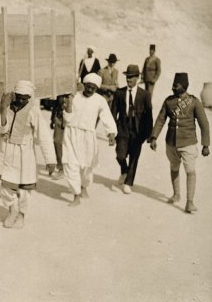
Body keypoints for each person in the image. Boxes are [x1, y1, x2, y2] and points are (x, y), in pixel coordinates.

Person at [0, 80, 56, 229]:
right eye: (19, 97)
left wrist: (50, 160)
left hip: (25, 153)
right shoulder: (8, 108)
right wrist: (3, 109)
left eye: (25, 98)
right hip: (8, 150)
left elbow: (44, 136)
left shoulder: (34, 111)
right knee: (5, 187)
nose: (21, 100)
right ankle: (12, 210)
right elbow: (1, 129)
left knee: (24, 190)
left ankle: (22, 215)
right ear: (14, 95)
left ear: (30, 97)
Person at [149, 73, 210, 213]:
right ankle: (176, 194)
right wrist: (154, 137)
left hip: (188, 143)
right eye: (173, 85)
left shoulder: (194, 102)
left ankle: (190, 202)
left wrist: (205, 144)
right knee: (174, 168)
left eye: (176, 85)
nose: (173, 87)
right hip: (171, 143)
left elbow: (204, 124)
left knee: (190, 171)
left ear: (184, 86)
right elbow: (160, 119)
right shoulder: (168, 101)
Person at [63, 73, 117, 206]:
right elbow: (67, 119)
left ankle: (84, 186)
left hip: (88, 137)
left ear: (97, 88)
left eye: (93, 88)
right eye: (88, 86)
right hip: (71, 134)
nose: (90, 90)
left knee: (87, 166)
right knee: (70, 164)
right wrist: (69, 101)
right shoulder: (74, 96)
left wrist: (110, 133)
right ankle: (76, 195)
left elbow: (107, 117)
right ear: (84, 85)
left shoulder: (100, 100)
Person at [111, 64, 153, 194]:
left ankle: (128, 182)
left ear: (137, 78)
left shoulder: (144, 95)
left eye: (131, 77)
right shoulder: (119, 93)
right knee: (120, 155)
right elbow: (113, 113)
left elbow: (149, 116)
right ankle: (124, 170)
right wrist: (112, 131)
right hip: (122, 129)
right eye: (127, 77)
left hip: (138, 131)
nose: (128, 80)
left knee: (134, 157)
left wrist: (147, 134)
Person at [50, 93, 69, 179]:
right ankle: (61, 168)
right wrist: (52, 119)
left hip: (71, 121)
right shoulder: (60, 89)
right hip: (59, 119)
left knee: (69, 145)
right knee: (57, 142)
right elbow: (55, 105)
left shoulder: (79, 90)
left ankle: (70, 169)